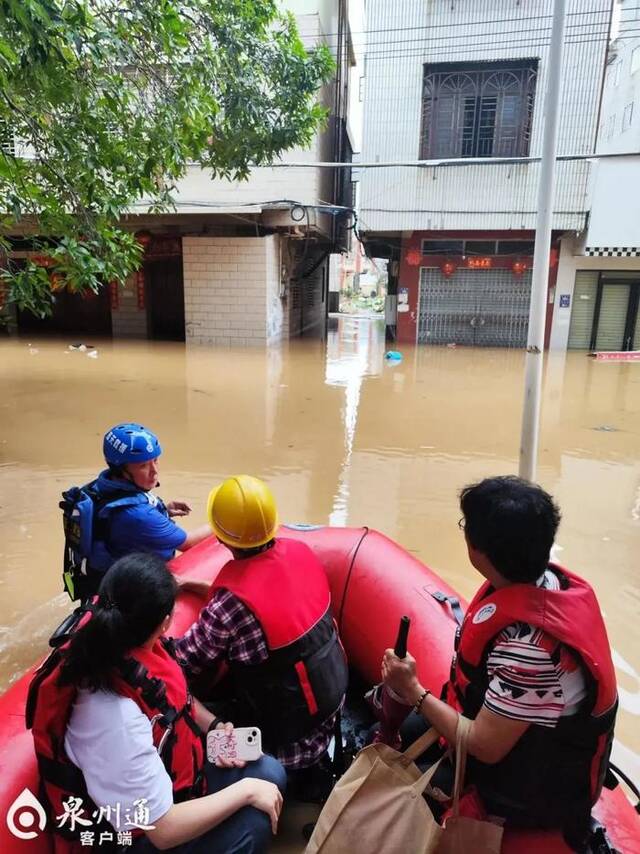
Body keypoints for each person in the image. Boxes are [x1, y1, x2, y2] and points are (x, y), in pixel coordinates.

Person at [382, 476, 617, 851]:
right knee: (410, 729)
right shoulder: (546, 583)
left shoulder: (531, 649)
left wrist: (412, 689)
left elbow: (485, 746)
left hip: (525, 788)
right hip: (516, 739)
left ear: (479, 549)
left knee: (399, 786)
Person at [28, 552, 286, 853]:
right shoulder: (114, 716)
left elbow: (178, 701)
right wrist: (246, 791)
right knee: (253, 824)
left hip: (171, 782)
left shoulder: (128, 645)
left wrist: (214, 727)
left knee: (270, 772)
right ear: (164, 623)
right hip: (140, 834)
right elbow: (162, 830)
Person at [173, 475, 348, 784]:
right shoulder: (302, 553)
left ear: (222, 537)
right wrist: (195, 586)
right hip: (328, 717)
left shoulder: (228, 606)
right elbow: (264, 597)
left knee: (178, 695)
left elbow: (184, 661)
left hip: (276, 744)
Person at [60, 423, 210, 600]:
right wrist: (222, 521)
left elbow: (112, 524)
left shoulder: (98, 487)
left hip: (104, 577)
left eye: (155, 460)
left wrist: (164, 511)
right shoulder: (139, 516)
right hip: (129, 591)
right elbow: (189, 543)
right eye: (143, 466)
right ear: (120, 470)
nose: (154, 471)